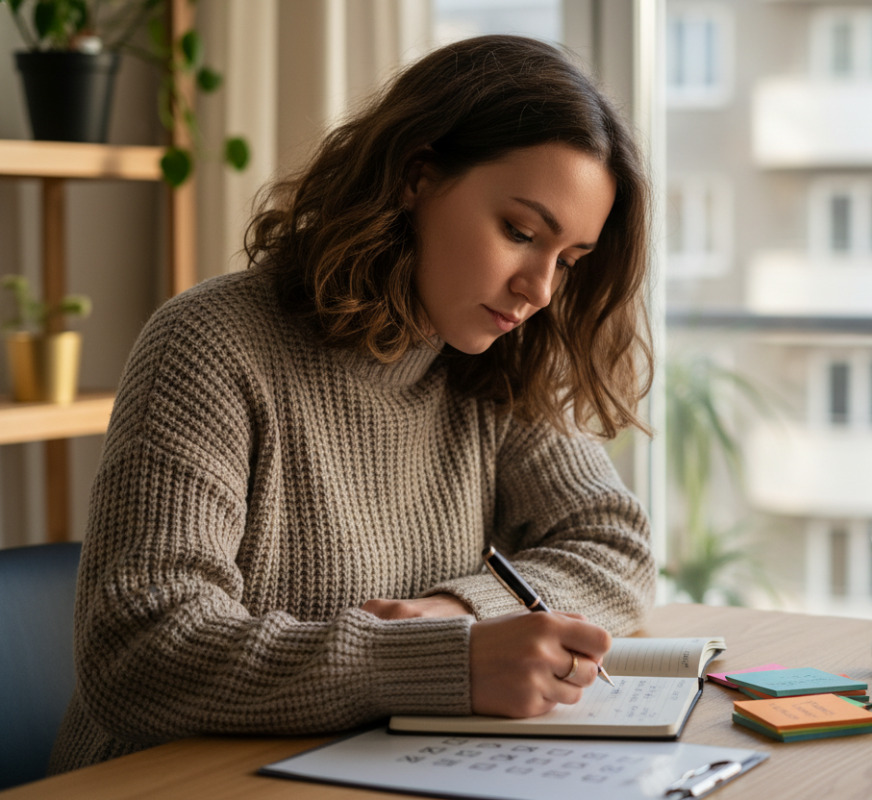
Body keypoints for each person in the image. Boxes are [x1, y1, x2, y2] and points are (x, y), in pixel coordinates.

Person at [49, 34, 656, 773]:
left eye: (568, 260)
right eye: (520, 233)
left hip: (378, 771)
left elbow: (615, 546)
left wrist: (457, 615)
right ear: (415, 176)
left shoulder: (492, 364)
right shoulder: (211, 344)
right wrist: (443, 665)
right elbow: (139, 654)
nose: (541, 289)